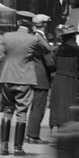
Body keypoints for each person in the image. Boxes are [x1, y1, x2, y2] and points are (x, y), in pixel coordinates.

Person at [0, 15, 50, 156]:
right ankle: (18, 148)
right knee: (21, 113)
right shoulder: (33, 38)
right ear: (31, 27)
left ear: (18, 24)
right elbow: (47, 48)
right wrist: (36, 35)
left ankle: (4, 147)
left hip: (7, 77)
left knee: (7, 111)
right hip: (25, 79)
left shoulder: (6, 37)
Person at [21, 14, 57, 146]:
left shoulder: (31, 37)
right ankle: (33, 135)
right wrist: (54, 67)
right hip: (41, 77)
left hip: (32, 75)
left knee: (33, 106)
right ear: (45, 25)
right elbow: (48, 61)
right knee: (38, 107)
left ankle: (30, 134)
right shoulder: (40, 38)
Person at [49, 28, 79, 128]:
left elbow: (53, 64)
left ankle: (58, 125)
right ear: (73, 36)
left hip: (59, 79)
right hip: (72, 80)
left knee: (58, 105)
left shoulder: (57, 50)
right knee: (69, 104)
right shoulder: (78, 50)